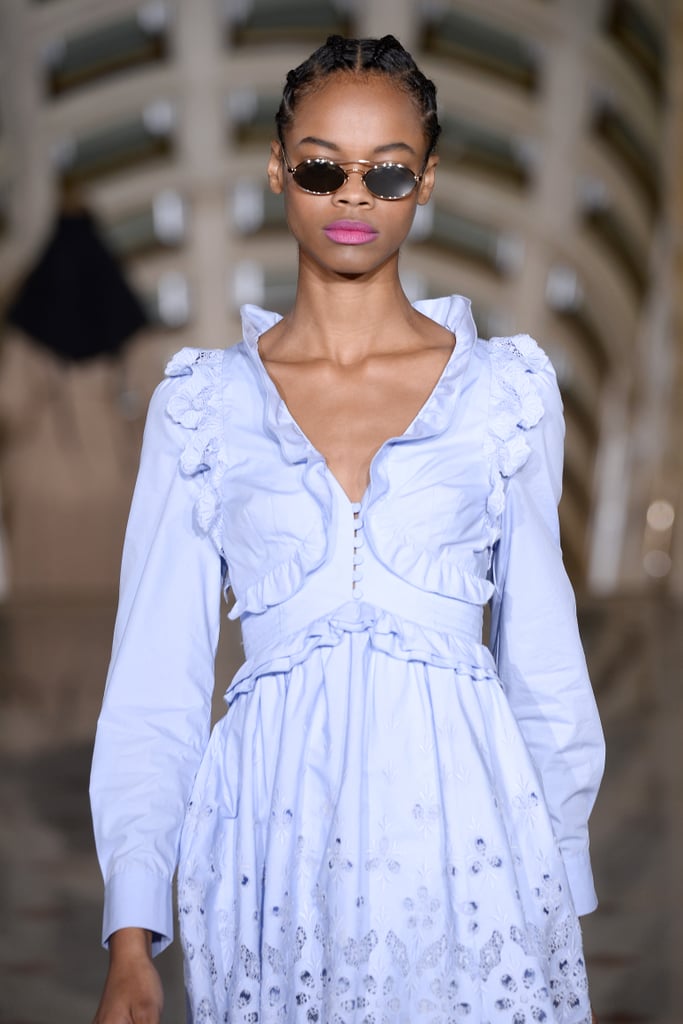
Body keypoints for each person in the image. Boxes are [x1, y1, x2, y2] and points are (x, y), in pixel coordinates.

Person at [90, 34, 605, 1024]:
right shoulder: (204, 406)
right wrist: (131, 936)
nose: (353, 196)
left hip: (474, 867)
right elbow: (153, 691)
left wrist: (559, 898)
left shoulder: (504, 392)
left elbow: (541, 668)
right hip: (270, 867)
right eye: (323, 165)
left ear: (426, 179)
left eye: (388, 170)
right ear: (279, 169)